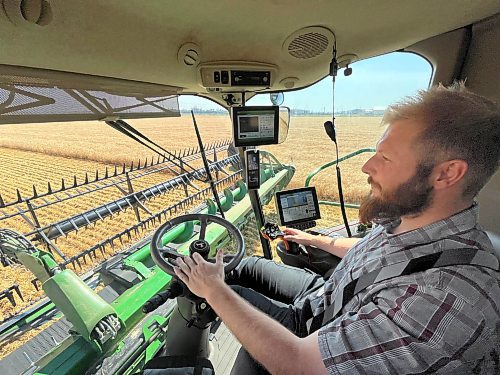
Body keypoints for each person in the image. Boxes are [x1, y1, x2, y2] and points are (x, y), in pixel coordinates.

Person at [173, 83, 500, 374]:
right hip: (324, 298)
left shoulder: (446, 300)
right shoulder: (413, 221)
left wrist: (214, 290)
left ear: (446, 174)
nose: (366, 167)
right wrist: (311, 238)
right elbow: (379, 257)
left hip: (316, 335)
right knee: (245, 268)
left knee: (238, 328)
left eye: (385, 158)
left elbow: (298, 365)